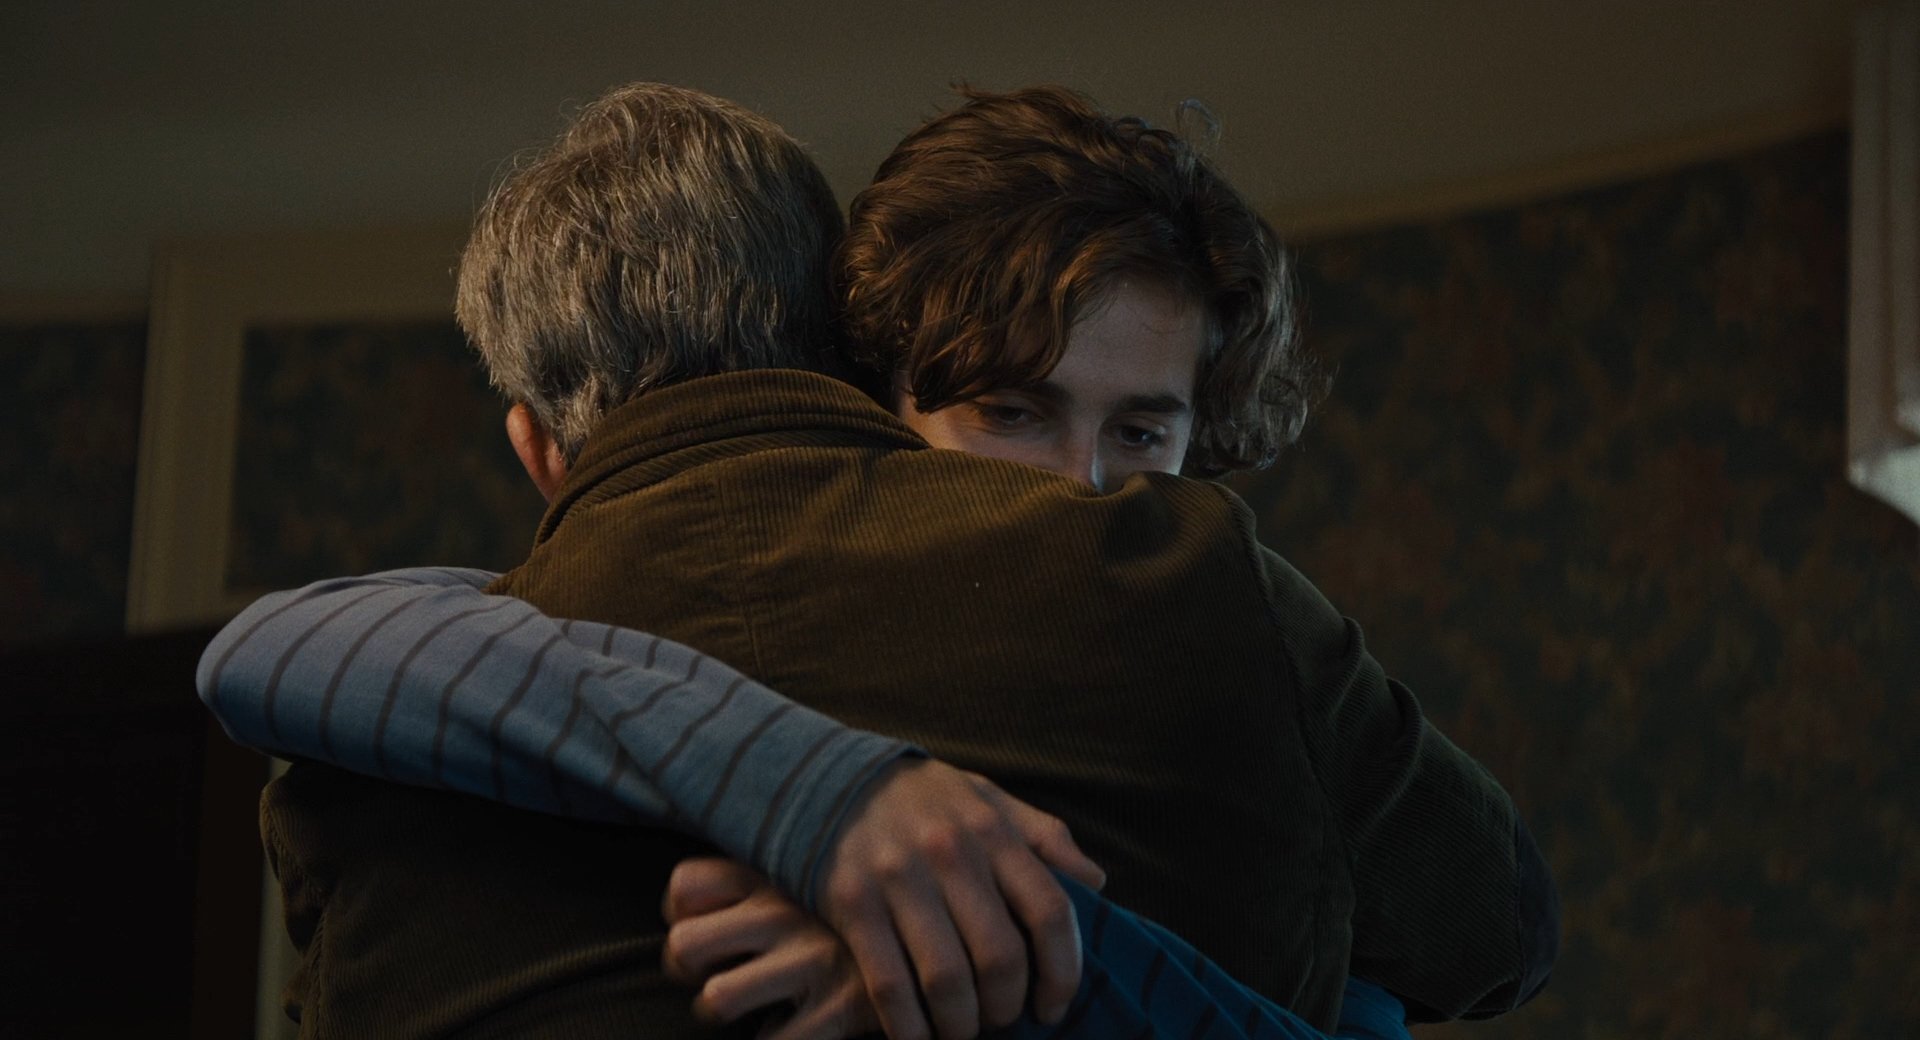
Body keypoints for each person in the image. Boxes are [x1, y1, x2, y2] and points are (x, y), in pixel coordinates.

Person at [201, 83, 1554, 1039]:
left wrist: (990, 947)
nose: (1075, 492)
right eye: (1009, 412)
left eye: (1143, 435)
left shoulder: (365, 763)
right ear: (856, 376)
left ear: (534, 447)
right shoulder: (1178, 603)